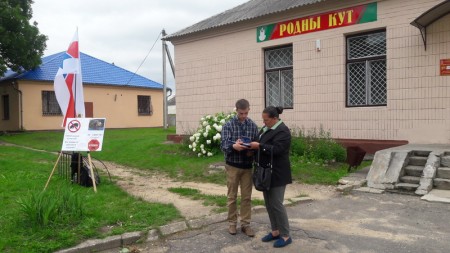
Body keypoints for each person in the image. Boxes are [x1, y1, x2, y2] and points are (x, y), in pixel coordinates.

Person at [249, 106, 293, 248]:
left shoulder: (283, 131)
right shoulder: (266, 128)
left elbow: (278, 150)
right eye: (263, 120)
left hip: (278, 174)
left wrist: (260, 146)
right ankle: (275, 231)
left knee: (277, 204)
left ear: (275, 119)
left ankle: (285, 235)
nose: (264, 122)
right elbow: (259, 142)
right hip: (266, 173)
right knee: (269, 204)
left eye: (266, 120)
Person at [221, 99, 259, 237]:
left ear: (249, 109)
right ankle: (232, 223)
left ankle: (246, 224)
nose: (244, 115)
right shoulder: (228, 125)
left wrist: (252, 150)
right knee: (232, 196)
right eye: (241, 113)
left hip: (247, 167)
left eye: (246, 113)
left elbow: (257, 144)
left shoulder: (253, 126)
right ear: (236, 110)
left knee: (246, 197)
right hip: (232, 166)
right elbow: (223, 145)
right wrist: (233, 146)